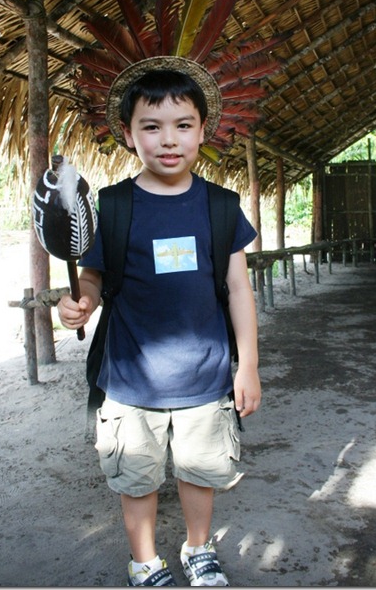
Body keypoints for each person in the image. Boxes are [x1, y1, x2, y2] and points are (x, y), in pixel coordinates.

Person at [58, 59, 261, 587]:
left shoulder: (220, 206)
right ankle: (145, 560)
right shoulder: (116, 205)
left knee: (200, 471)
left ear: (202, 131)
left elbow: (238, 288)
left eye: (182, 125)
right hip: (130, 380)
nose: (168, 140)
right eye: (151, 126)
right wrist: (79, 301)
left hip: (206, 375)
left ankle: (198, 550)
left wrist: (249, 367)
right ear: (129, 134)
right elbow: (96, 278)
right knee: (137, 477)